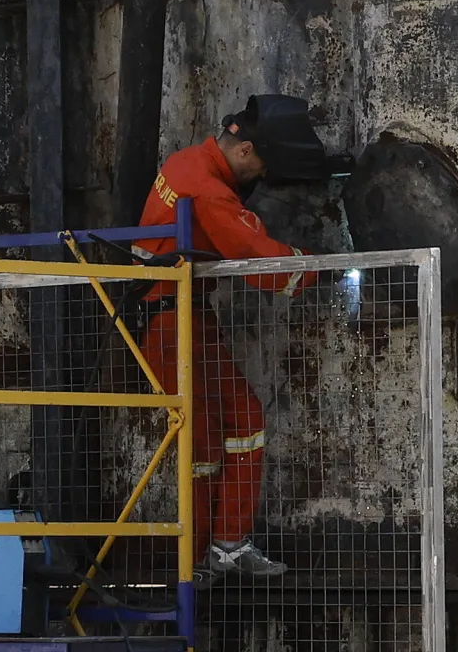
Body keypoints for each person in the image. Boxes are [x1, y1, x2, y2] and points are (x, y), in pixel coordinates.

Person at [134, 95, 325, 586]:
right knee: (202, 441)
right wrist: (316, 266)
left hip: (184, 315)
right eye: (262, 168)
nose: (260, 178)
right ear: (244, 151)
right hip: (169, 323)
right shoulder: (209, 190)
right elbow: (260, 261)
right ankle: (197, 560)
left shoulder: (188, 161)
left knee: (243, 419)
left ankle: (225, 547)